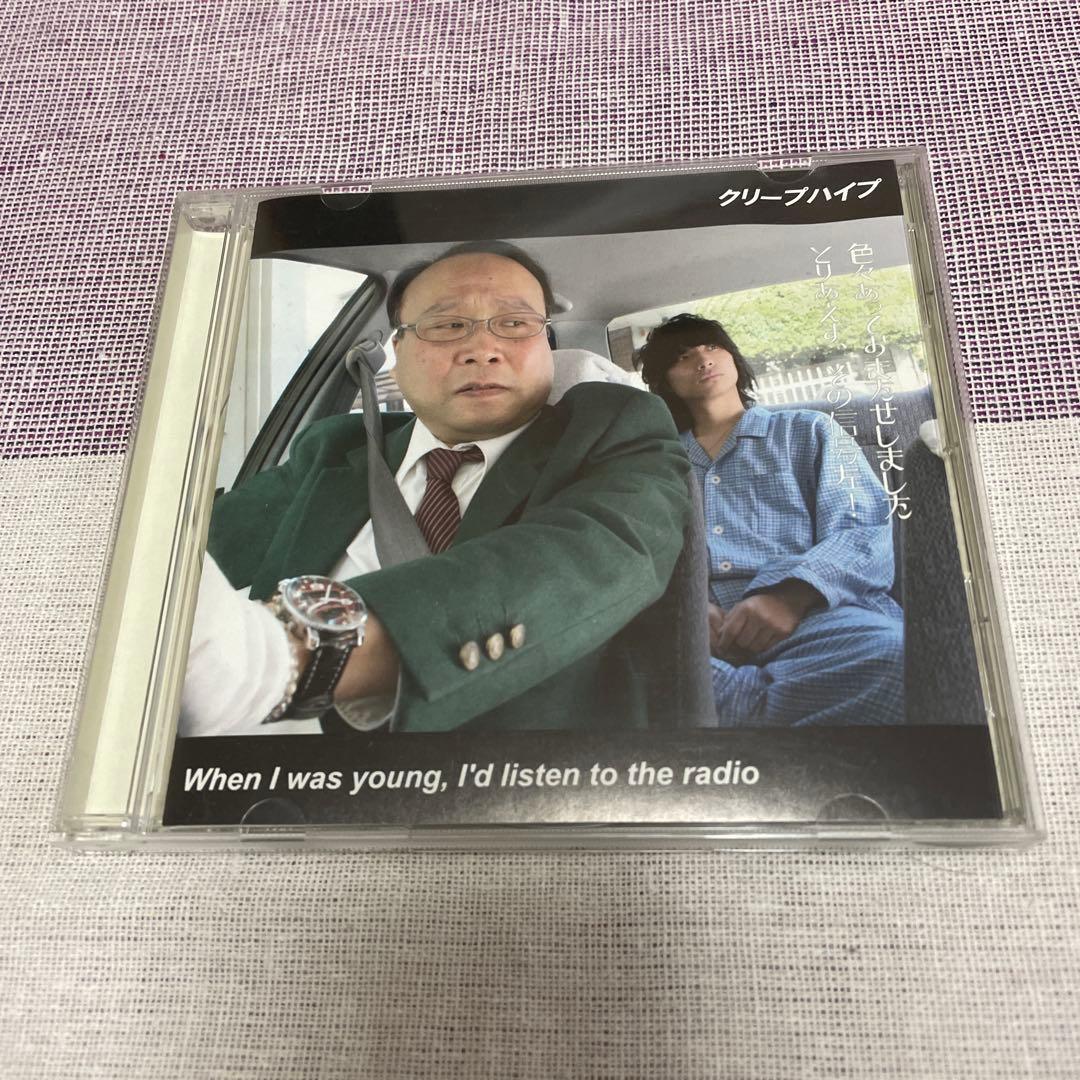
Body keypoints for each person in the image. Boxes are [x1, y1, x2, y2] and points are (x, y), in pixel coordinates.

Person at [183, 241, 691, 735]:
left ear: (546, 344)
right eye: (448, 326)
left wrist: (276, 660)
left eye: (515, 324)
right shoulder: (332, 450)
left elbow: (604, 550)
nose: (483, 349)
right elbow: (189, 556)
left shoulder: (611, 431)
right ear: (397, 349)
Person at [636, 313, 904, 726]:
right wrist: (684, 610)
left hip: (816, 617)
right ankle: (778, 707)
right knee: (625, 680)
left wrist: (789, 597)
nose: (703, 360)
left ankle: (745, 714)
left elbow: (863, 530)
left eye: (712, 346)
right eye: (682, 356)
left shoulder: (807, 430)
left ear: (734, 358)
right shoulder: (656, 464)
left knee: (895, 655)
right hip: (696, 640)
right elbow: (638, 554)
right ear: (665, 381)